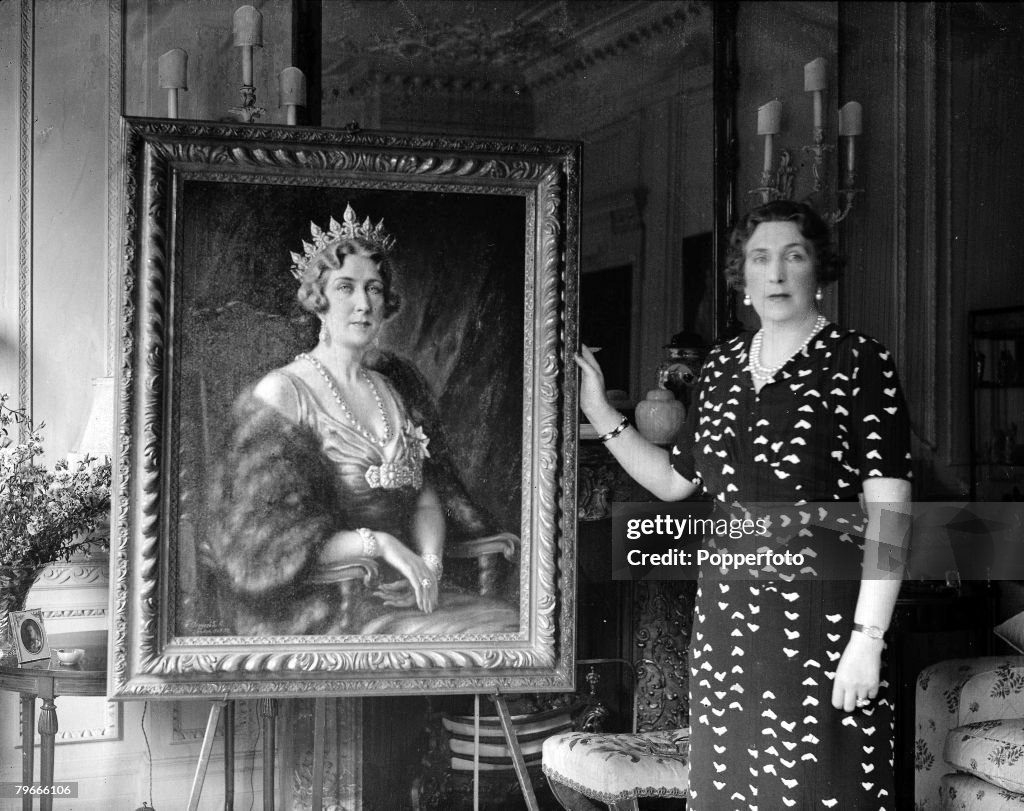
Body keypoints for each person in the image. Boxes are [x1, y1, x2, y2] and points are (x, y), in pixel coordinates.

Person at [575, 200, 912, 809]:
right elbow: (674, 482)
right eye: (761, 258)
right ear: (744, 275)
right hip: (729, 625)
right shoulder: (723, 368)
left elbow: (891, 515)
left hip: (826, 623)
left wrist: (869, 638)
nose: (777, 273)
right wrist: (599, 411)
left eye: (794, 255)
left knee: (820, 789)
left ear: (819, 269)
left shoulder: (860, 361)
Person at [208, 204, 518, 637]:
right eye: (345, 287)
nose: (363, 304)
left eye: (373, 289)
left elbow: (429, 497)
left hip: (409, 590)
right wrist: (383, 545)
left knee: (508, 627)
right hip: (331, 599)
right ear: (318, 298)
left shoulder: (397, 384)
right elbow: (266, 542)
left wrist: (428, 565)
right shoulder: (284, 394)